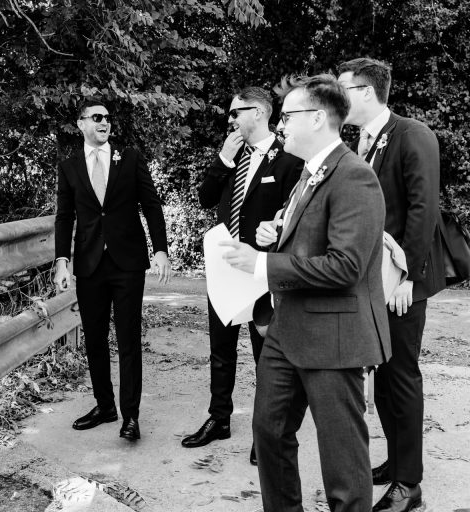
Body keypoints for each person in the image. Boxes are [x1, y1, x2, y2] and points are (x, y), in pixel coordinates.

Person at [222, 74, 390, 512]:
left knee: (342, 455)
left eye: (288, 116)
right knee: (269, 431)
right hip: (287, 330)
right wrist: (276, 231)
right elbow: (309, 236)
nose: (280, 126)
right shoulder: (307, 173)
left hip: (334, 337)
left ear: (317, 118)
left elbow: (346, 266)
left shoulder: (354, 176)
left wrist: (263, 264)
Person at [338, 57, 445, 512]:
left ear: (366, 92)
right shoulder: (361, 141)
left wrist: (410, 279)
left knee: (400, 377)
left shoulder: (412, 134)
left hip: (401, 283)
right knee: (380, 375)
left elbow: (423, 211)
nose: (336, 97)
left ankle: (409, 485)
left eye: (343, 89)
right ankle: (397, 461)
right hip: (369, 281)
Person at [185, 87, 302, 467]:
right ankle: (219, 419)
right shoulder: (230, 156)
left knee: (265, 355)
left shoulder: (288, 160)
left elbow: (295, 219)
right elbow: (205, 198)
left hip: (261, 271)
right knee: (221, 350)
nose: (230, 118)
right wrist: (223, 158)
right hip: (224, 268)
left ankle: (265, 431)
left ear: (260, 112)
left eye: (237, 112)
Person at [54, 99, 171, 441]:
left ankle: (130, 416)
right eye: (97, 117)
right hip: (89, 263)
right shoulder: (69, 166)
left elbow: (151, 204)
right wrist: (62, 261)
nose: (104, 122)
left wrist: (160, 250)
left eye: (107, 117)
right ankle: (104, 405)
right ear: (81, 124)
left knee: (128, 337)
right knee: (94, 338)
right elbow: (65, 216)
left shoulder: (129, 158)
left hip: (128, 262)